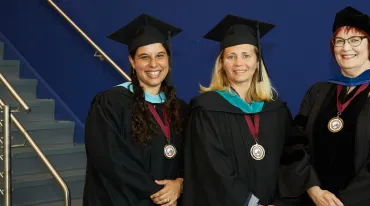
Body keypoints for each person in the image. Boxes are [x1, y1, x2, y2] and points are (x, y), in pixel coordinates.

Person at [279, 6, 370, 206]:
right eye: (339, 41)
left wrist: (342, 203)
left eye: (355, 40)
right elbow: (295, 145)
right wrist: (314, 190)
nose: (346, 48)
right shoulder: (318, 92)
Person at [183, 14, 292, 206]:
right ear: (222, 64)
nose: (238, 63)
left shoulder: (276, 110)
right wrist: (251, 203)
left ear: (258, 62)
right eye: (231, 56)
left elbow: (290, 159)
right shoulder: (206, 109)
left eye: (246, 56)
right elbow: (212, 168)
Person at [83, 13, 189, 206]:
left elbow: (192, 158)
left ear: (168, 60)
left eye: (160, 55)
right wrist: (160, 194)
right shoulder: (110, 103)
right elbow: (111, 160)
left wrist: (180, 184)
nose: (153, 64)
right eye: (144, 57)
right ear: (132, 61)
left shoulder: (180, 108)